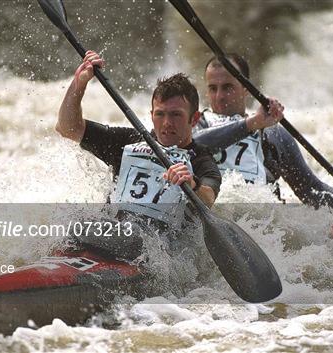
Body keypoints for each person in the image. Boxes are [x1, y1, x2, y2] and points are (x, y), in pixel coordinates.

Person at [56, 50, 222, 258]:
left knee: (131, 236)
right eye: (160, 114)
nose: (167, 123)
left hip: (154, 252)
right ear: (152, 115)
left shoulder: (201, 160)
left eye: (176, 115)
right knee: (68, 219)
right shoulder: (128, 142)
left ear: (194, 119)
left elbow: (208, 198)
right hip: (109, 235)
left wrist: (192, 184)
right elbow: (67, 128)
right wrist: (79, 84)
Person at [193, 54, 333, 229]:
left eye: (227, 87)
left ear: (245, 88)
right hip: (212, 216)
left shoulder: (273, 134)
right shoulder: (196, 124)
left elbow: (310, 190)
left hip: (259, 226)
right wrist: (252, 123)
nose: (219, 96)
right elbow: (194, 144)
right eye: (212, 88)